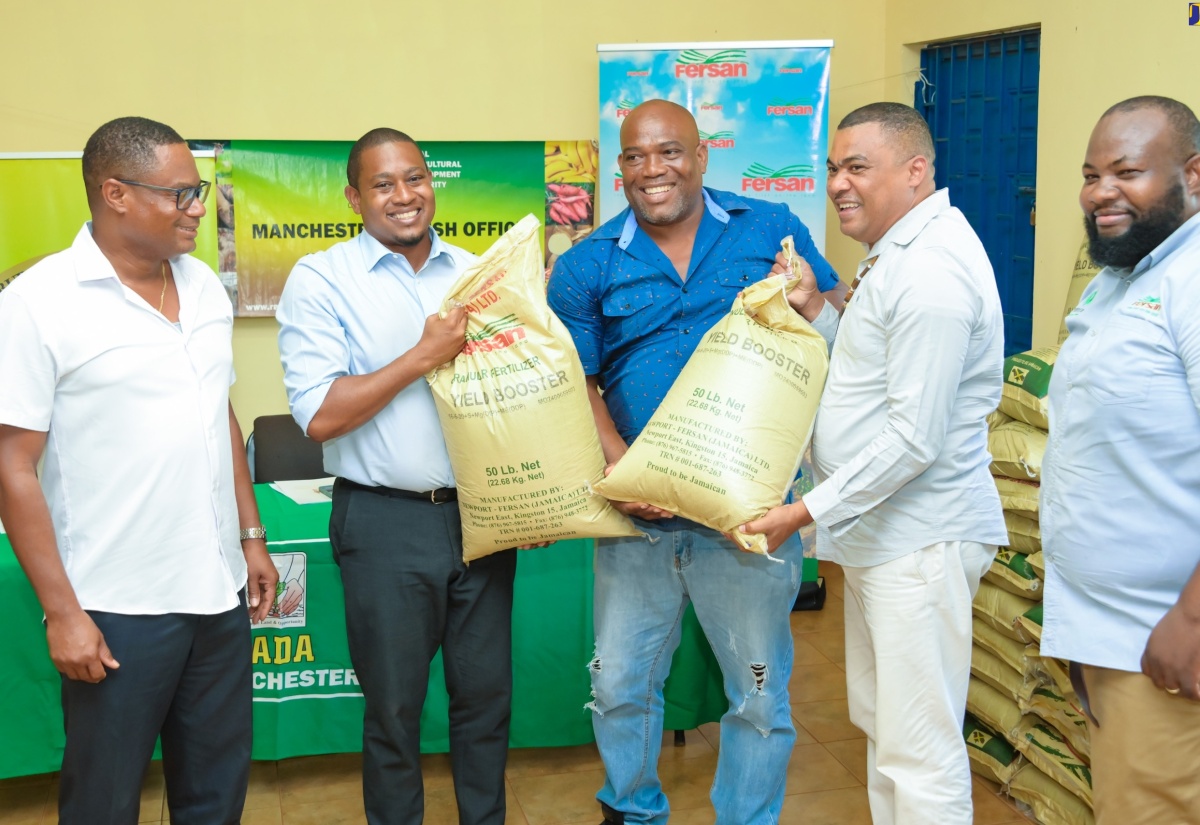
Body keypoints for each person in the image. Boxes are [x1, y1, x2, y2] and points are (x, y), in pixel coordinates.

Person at [548, 99, 843, 825]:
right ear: (620, 171)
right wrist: (620, 466)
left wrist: (812, 301)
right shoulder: (584, 265)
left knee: (759, 688)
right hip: (638, 515)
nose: (654, 170)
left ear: (703, 155)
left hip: (748, 513)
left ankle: (748, 817)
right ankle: (633, 807)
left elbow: (826, 310)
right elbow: (576, 380)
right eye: (637, 157)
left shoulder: (769, 228)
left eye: (670, 152)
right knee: (620, 679)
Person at [0, 116, 278, 825]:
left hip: (216, 598)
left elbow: (220, 414)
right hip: (115, 608)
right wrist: (63, 611)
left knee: (215, 797)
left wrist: (250, 536)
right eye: (180, 194)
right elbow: (12, 463)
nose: (197, 209)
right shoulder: (38, 304)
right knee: (103, 802)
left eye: (199, 190)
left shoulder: (205, 289)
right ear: (115, 193)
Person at [745, 102, 1007, 824]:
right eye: (833, 168)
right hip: (880, 537)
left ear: (915, 171)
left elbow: (913, 437)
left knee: (918, 752)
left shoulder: (932, 272)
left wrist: (801, 512)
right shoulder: (898, 252)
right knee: (887, 731)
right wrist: (817, 313)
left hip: (915, 540)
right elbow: (872, 367)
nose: (837, 183)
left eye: (857, 167)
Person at [276, 128, 515, 825]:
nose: (405, 196)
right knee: (393, 711)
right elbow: (319, 414)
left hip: (480, 517)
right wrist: (423, 355)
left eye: (415, 178)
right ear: (354, 197)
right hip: (383, 522)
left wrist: (526, 502)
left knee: (486, 700)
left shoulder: (475, 274)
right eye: (384, 184)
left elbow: (512, 396)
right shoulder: (321, 280)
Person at [1039, 95, 1200, 824]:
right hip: (1110, 630)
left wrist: (1192, 621)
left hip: (1165, 637)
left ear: (1192, 174)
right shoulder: (1124, 277)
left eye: (1127, 171)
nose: (1102, 191)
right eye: (1090, 173)